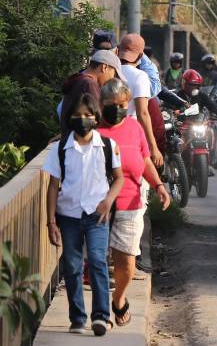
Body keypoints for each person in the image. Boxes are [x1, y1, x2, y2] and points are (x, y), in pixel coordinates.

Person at [44, 94, 124, 336]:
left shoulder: (108, 146)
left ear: (96, 118)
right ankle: (77, 318)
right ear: (69, 119)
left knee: (99, 262)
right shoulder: (60, 149)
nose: (83, 120)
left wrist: (108, 202)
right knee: (72, 265)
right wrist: (51, 222)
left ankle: (101, 316)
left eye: (88, 115)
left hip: (97, 215)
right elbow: (53, 185)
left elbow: (119, 178)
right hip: (67, 216)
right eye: (77, 115)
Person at [97, 79, 170, 327]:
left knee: (126, 262)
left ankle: (118, 298)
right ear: (101, 104)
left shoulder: (135, 128)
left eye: (121, 104)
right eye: (111, 104)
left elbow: (145, 161)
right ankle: (100, 312)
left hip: (131, 203)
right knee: (97, 261)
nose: (116, 109)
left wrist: (159, 185)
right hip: (97, 207)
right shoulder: (92, 130)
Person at [117, 34, 163, 169]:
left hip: (108, 133)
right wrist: (153, 147)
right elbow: (142, 113)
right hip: (130, 135)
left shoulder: (108, 70)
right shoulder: (140, 76)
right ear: (140, 56)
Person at [59, 50, 124, 145]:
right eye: (114, 73)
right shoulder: (89, 84)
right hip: (82, 144)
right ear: (104, 67)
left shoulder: (78, 80)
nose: (113, 78)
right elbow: (99, 119)